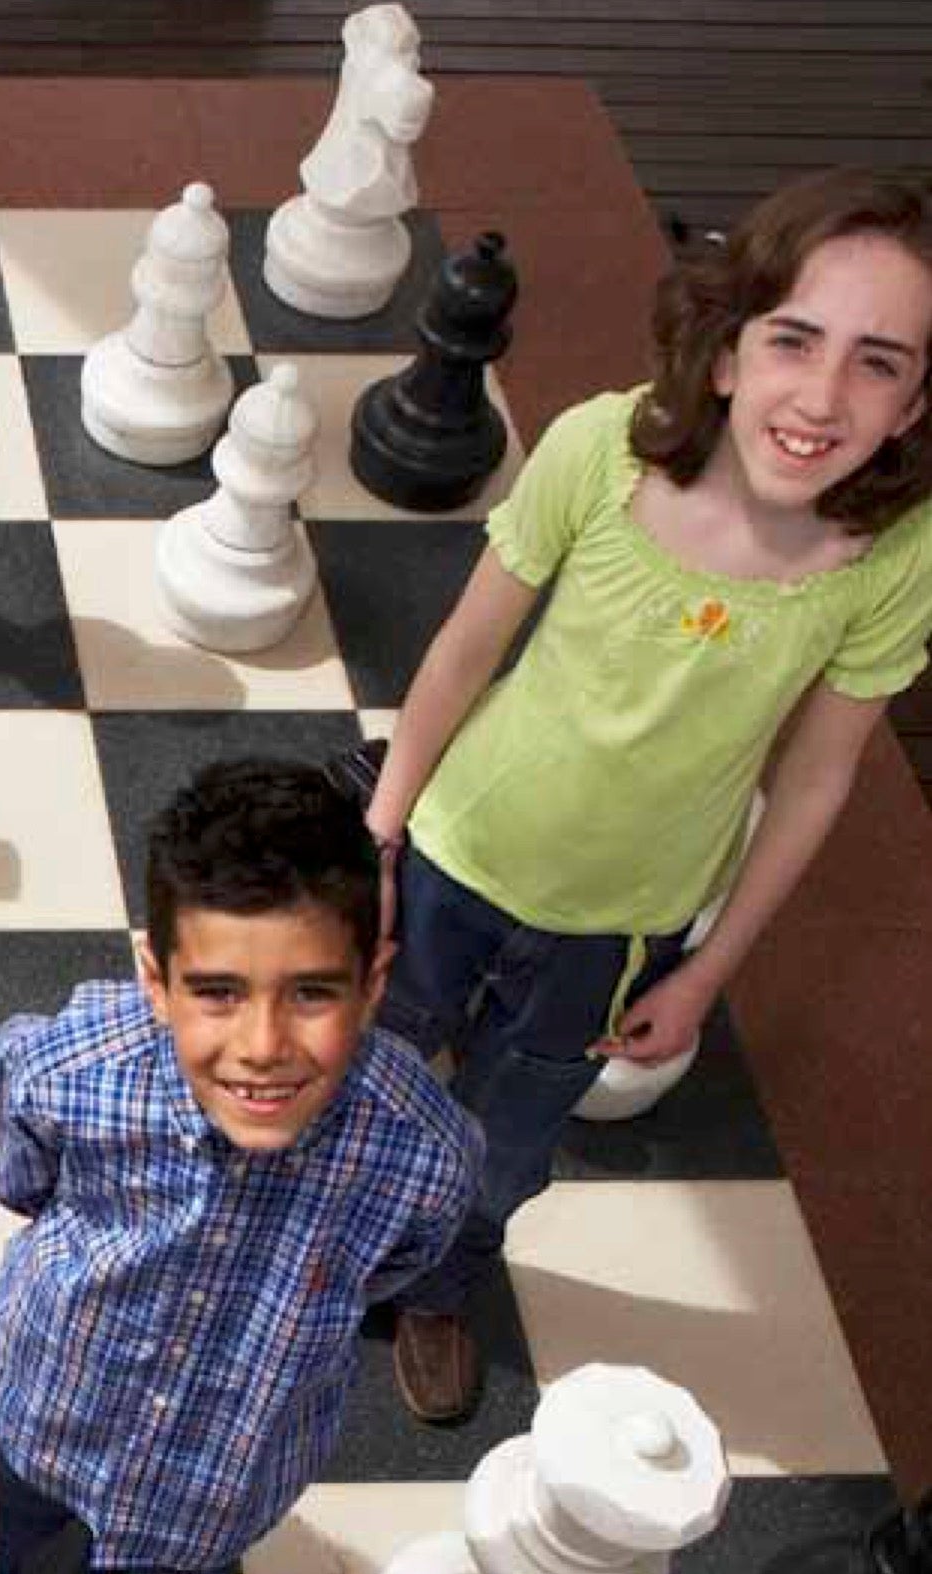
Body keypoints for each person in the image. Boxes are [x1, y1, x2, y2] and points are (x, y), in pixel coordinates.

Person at [366, 167, 932, 1424]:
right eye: (796, 339)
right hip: (458, 853)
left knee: (505, 1148)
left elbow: (817, 777)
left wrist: (705, 970)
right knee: (371, 1078)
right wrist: (384, 827)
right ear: (728, 352)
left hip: (622, 928)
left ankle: (443, 1281)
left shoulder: (898, 554)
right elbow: (464, 651)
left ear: (914, 405)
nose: (824, 395)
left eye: (879, 362)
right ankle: (315, 1242)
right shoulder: (597, 451)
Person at [0, 760, 479, 1574]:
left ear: (374, 979)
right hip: (44, 1396)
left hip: (229, 1452)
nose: (263, 1045)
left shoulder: (425, 1151)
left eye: (312, 990)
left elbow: (400, 1264)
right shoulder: (69, 1068)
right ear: (154, 975)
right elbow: (20, 1171)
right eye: (217, 989)